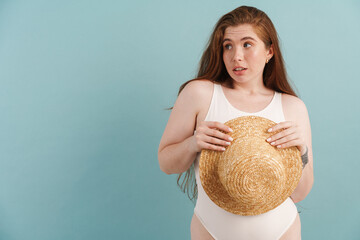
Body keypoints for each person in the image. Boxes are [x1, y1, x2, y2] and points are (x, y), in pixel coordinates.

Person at [158, 6, 313, 240]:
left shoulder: (293, 107)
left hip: (283, 230)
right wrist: (193, 143)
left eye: (247, 44)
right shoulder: (199, 94)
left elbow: (299, 193)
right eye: (227, 45)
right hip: (211, 230)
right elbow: (166, 164)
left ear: (270, 51)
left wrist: (302, 152)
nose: (236, 56)